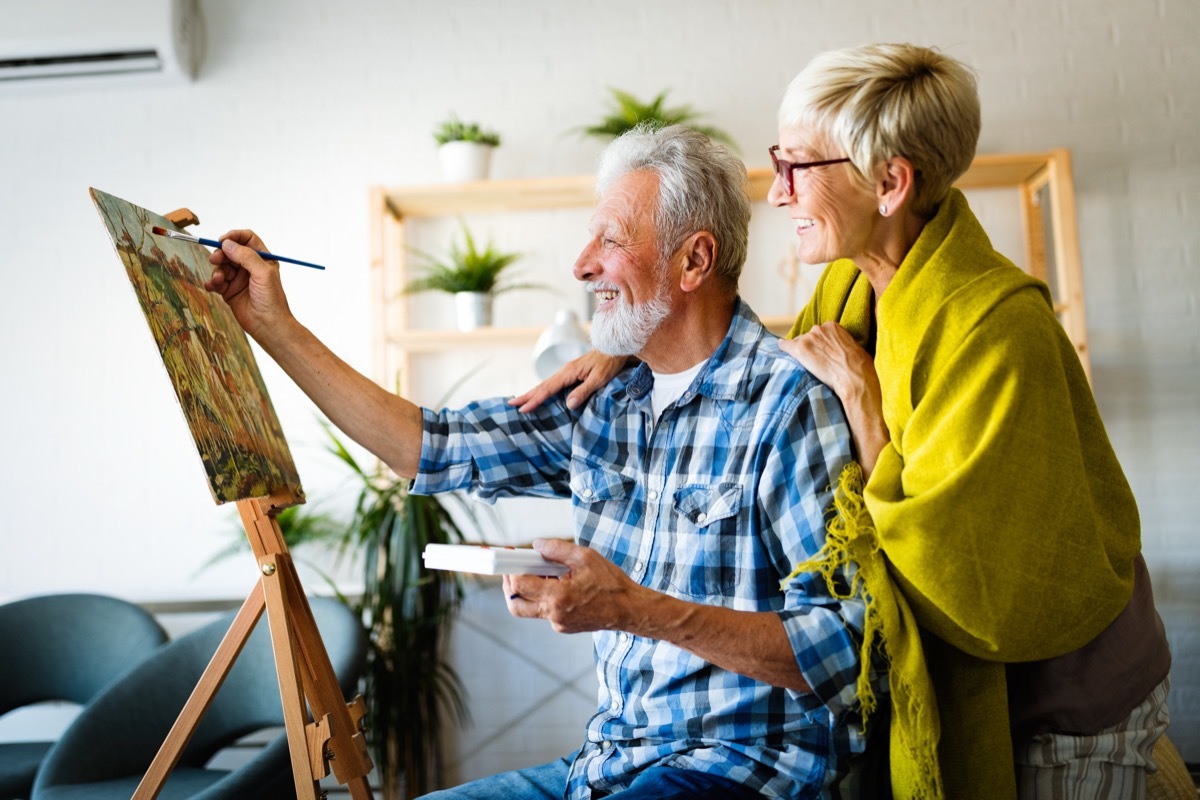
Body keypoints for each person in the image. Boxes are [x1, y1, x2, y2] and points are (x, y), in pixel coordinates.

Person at [516, 44, 1172, 800]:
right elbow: (761, 365)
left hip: (1063, 694)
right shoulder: (848, 291)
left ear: (890, 184)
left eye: (798, 167)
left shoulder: (999, 330)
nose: (778, 193)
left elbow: (963, 574)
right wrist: (632, 343)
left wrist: (864, 402)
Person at [205, 125, 885, 799]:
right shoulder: (604, 399)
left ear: (694, 261)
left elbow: (845, 649)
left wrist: (633, 609)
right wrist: (272, 325)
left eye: (610, 240)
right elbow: (428, 446)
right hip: (606, 765)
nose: (582, 265)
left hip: (739, 771)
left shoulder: (786, 405)